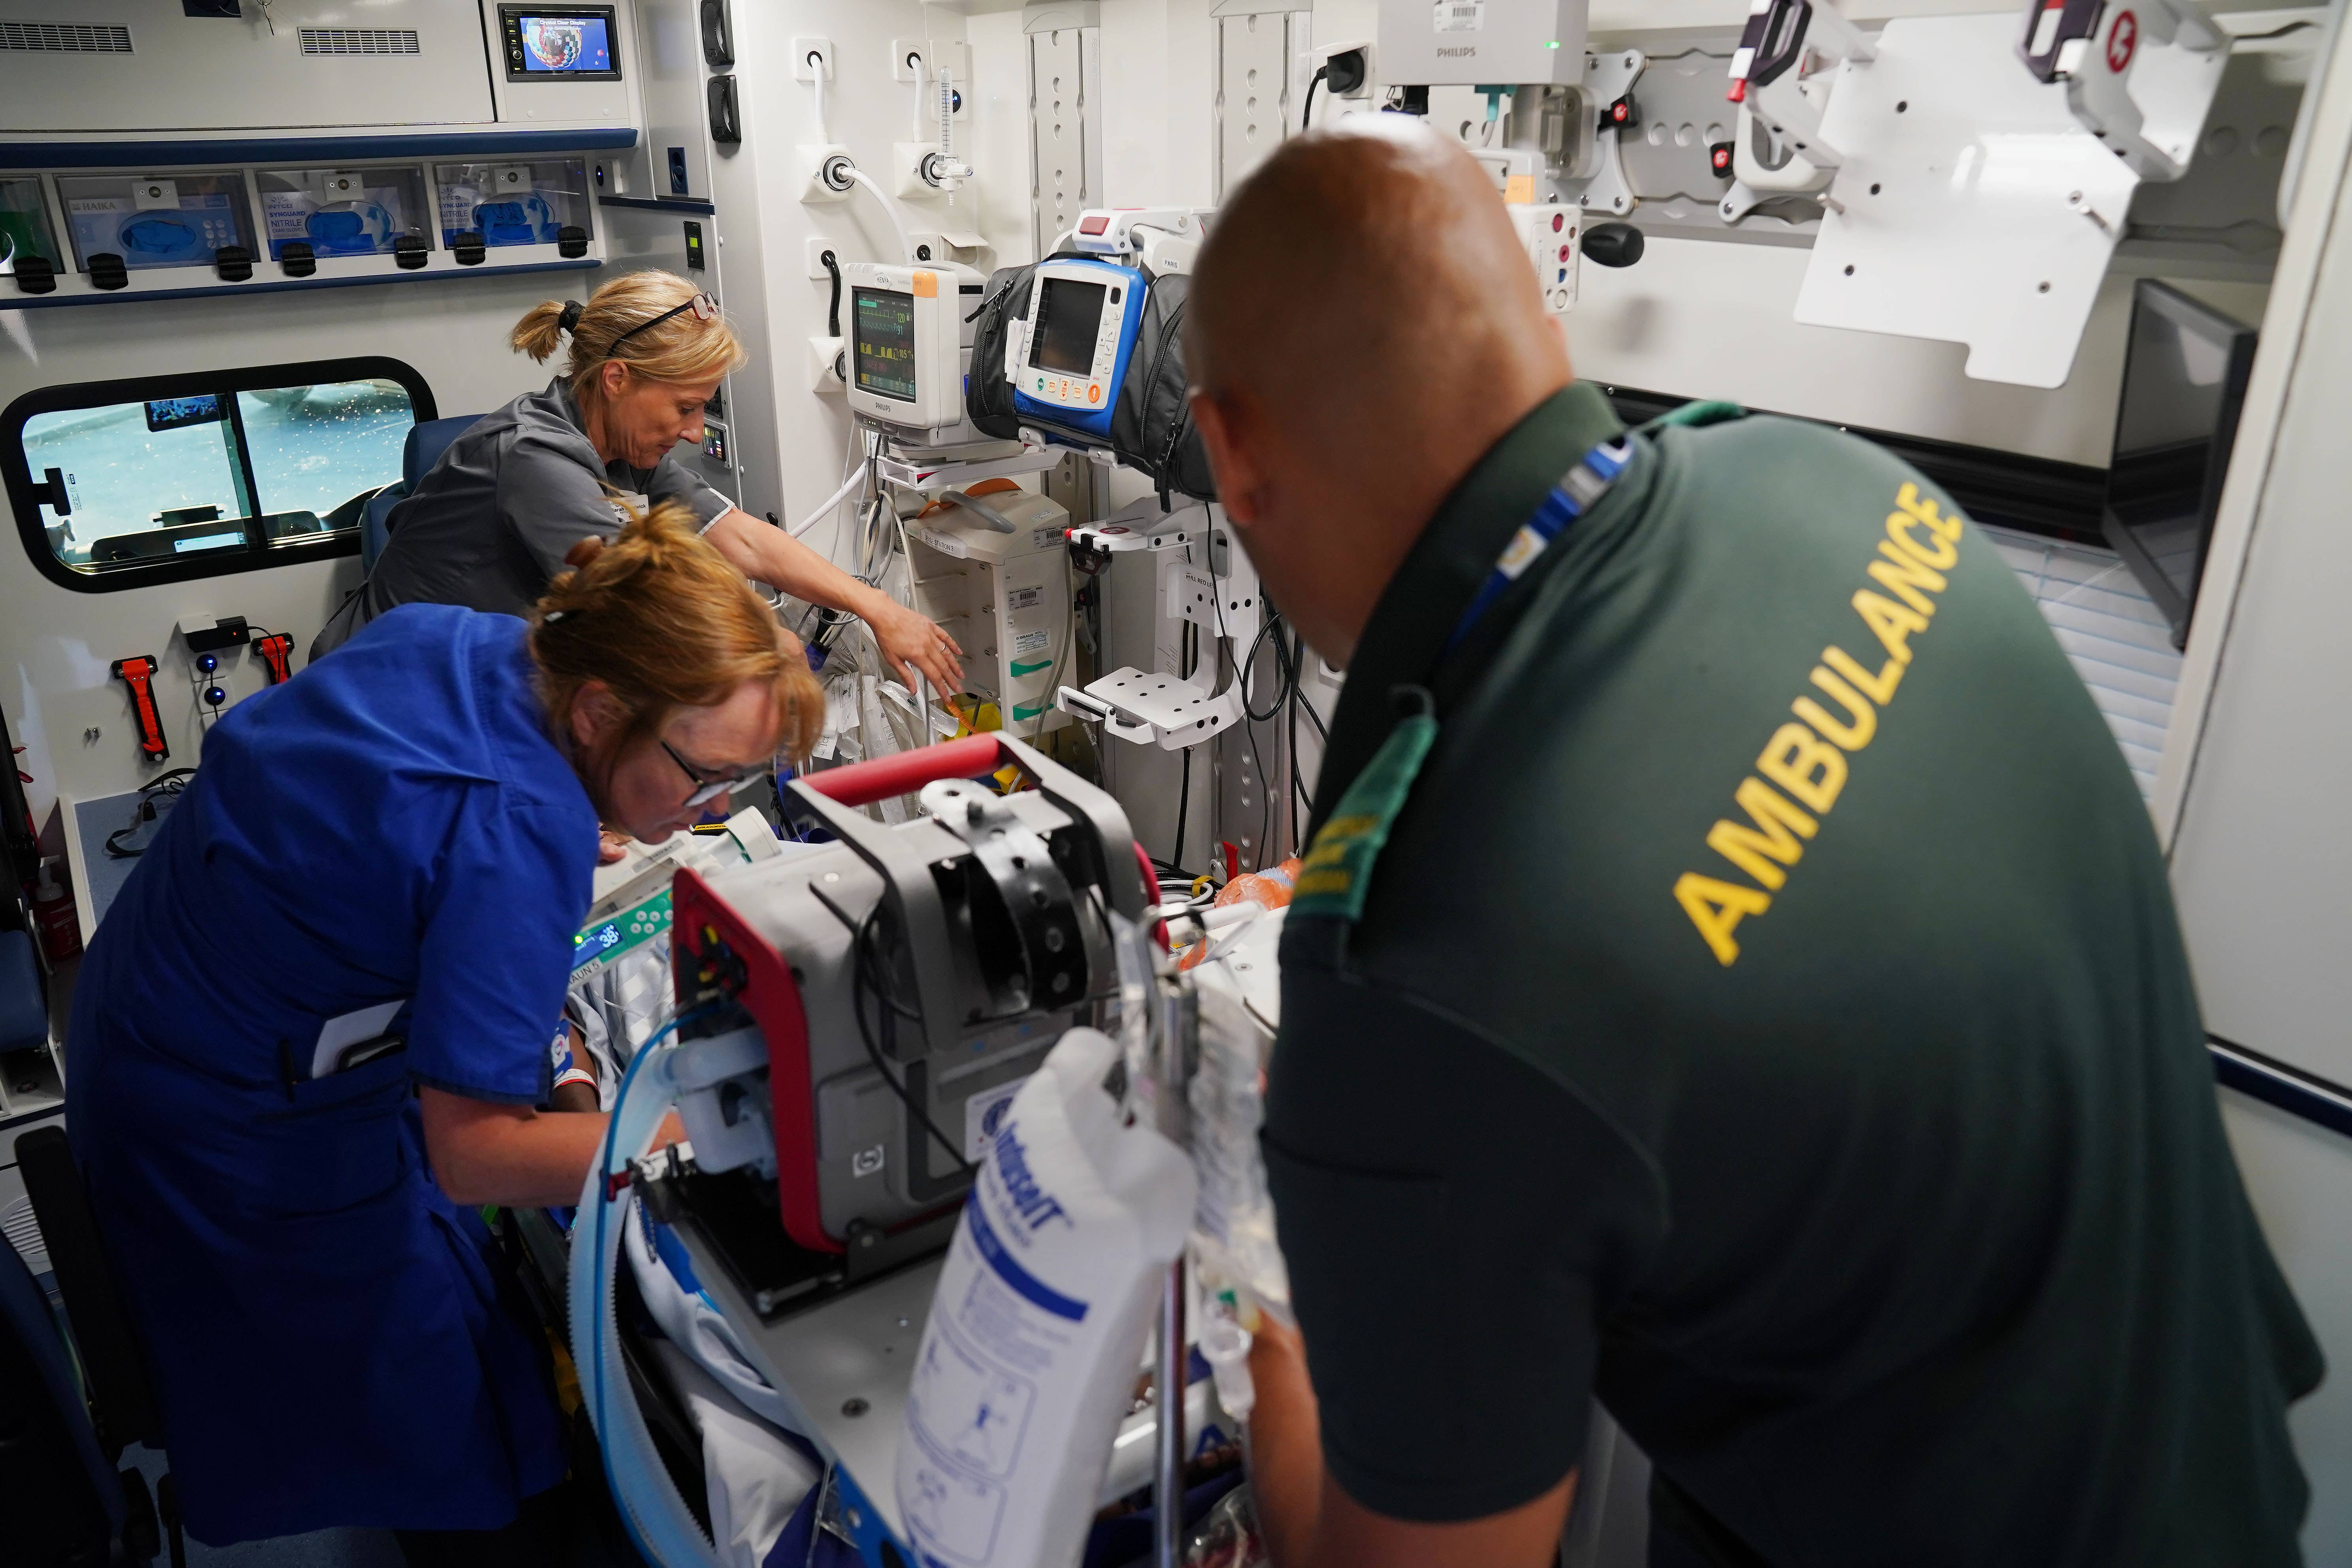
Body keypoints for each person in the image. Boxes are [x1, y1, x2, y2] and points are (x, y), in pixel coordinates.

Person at [1185, 118, 2322, 1568]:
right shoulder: (1841, 488)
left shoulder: (1423, 959)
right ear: (1534, 307)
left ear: (1231, 446)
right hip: (2214, 1476)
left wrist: (1265, 1309)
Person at [66, 502, 822, 1560]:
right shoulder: (516, 824)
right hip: (227, 1110)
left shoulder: (472, 640)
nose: (707, 811)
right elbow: (472, 1158)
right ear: (600, 710)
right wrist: (720, 1140)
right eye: (703, 778)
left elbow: (409, 836)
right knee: (442, 1400)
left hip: (147, 990)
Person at [314, 268, 961, 697]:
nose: (692, 430)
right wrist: (773, 645)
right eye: (684, 407)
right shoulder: (534, 457)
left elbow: (745, 540)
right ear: (618, 379)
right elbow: (653, 600)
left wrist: (880, 610)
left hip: (466, 678)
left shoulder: (622, 453)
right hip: (380, 691)